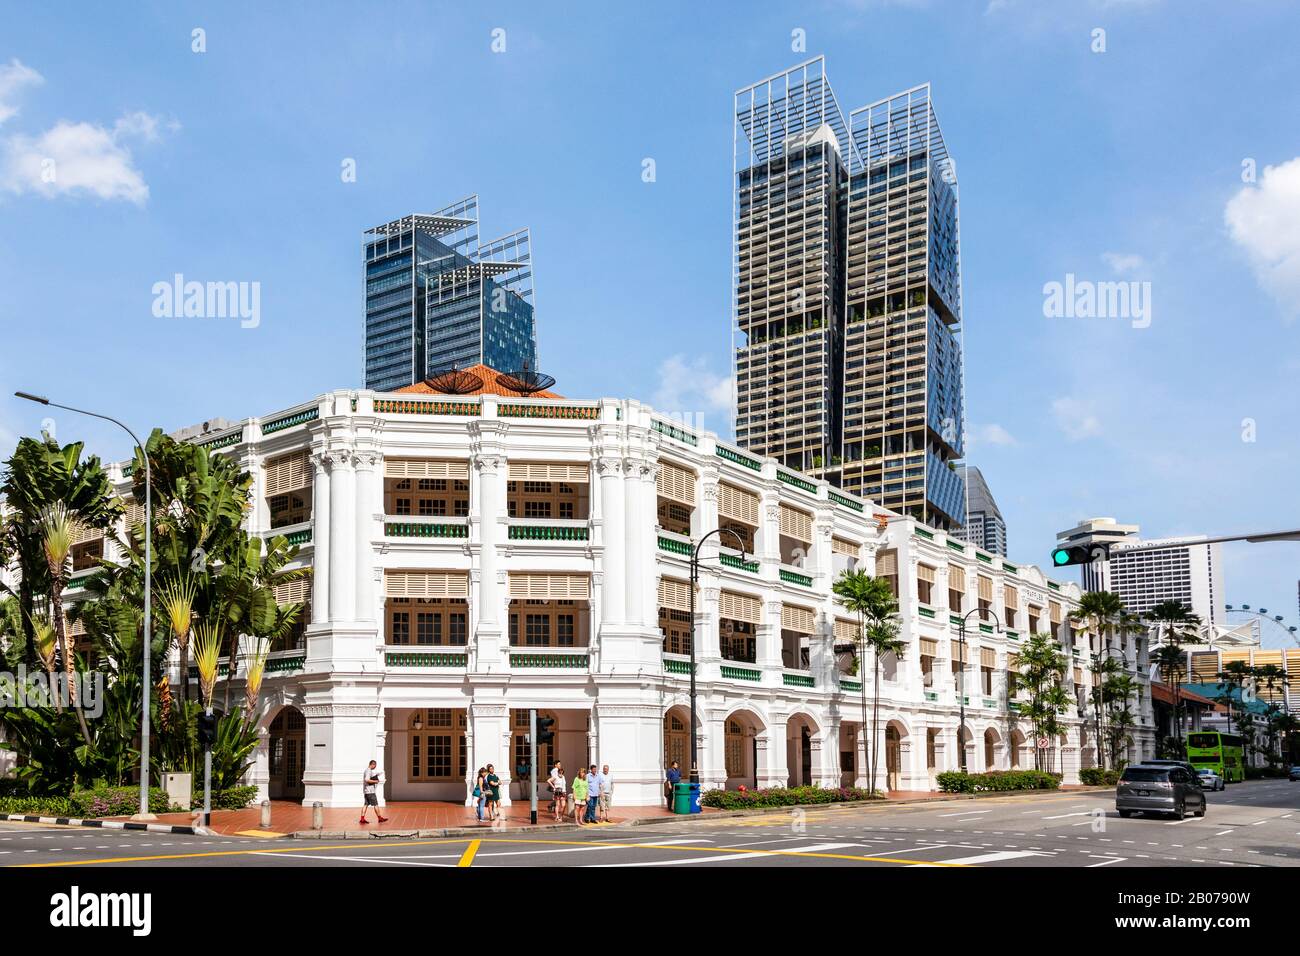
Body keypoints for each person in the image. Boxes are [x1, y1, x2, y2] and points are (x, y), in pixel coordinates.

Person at [360, 760, 388, 825]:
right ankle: (380, 818)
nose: (375, 767)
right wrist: (375, 781)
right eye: (375, 765)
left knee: (365, 804)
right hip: (370, 791)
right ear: (373, 764)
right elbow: (367, 779)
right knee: (375, 804)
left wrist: (375, 776)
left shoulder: (367, 770)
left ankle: (362, 818)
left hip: (367, 791)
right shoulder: (368, 771)